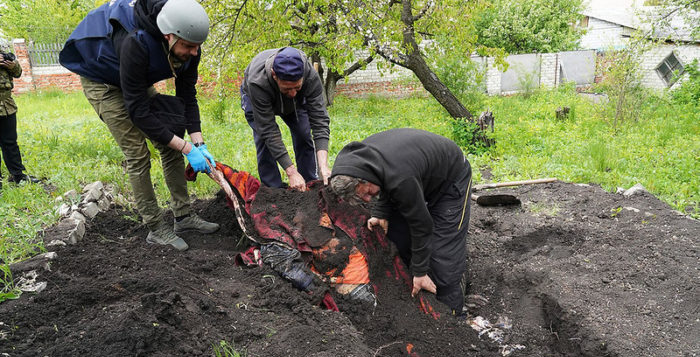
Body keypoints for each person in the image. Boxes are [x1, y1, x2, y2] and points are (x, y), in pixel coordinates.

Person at [59, 0, 219, 251]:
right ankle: (155, 227)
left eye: (198, 47)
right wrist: (187, 148)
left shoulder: (189, 41)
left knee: (170, 144)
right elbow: (139, 112)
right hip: (104, 81)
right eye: (189, 47)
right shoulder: (135, 42)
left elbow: (187, 95)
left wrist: (199, 142)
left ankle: (184, 216)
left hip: (134, 77)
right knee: (137, 154)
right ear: (169, 36)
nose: (194, 52)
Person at [330, 128, 472, 314]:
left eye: (366, 193)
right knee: (397, 239)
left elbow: (422, 225)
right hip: (414, 174)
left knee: (443, 256)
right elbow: (383, 177)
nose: (367, 200)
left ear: (364, 180)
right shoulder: (356, 164)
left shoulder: (400, 178)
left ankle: (453, 314)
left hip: (451, 179)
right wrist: (381, 212)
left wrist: (420, 272)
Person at [240, 47, 330, 191]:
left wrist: (323, 166)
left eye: (297, 87)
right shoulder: (257, 81)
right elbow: (268, 130)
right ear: (274, 75)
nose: (293, 93)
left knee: (303, 133)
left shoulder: (310, 76)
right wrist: (291, 171)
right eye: (287, 89)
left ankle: (308, 184)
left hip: (293, 105)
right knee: (264, 140)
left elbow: (319, 120)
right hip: (257, 97)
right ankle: (274, 191)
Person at [0, 45, 39, 187]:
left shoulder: (2, 50)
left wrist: (12, 65)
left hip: (6, 104)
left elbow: (18, 73)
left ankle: (18, 176)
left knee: (10, 143)